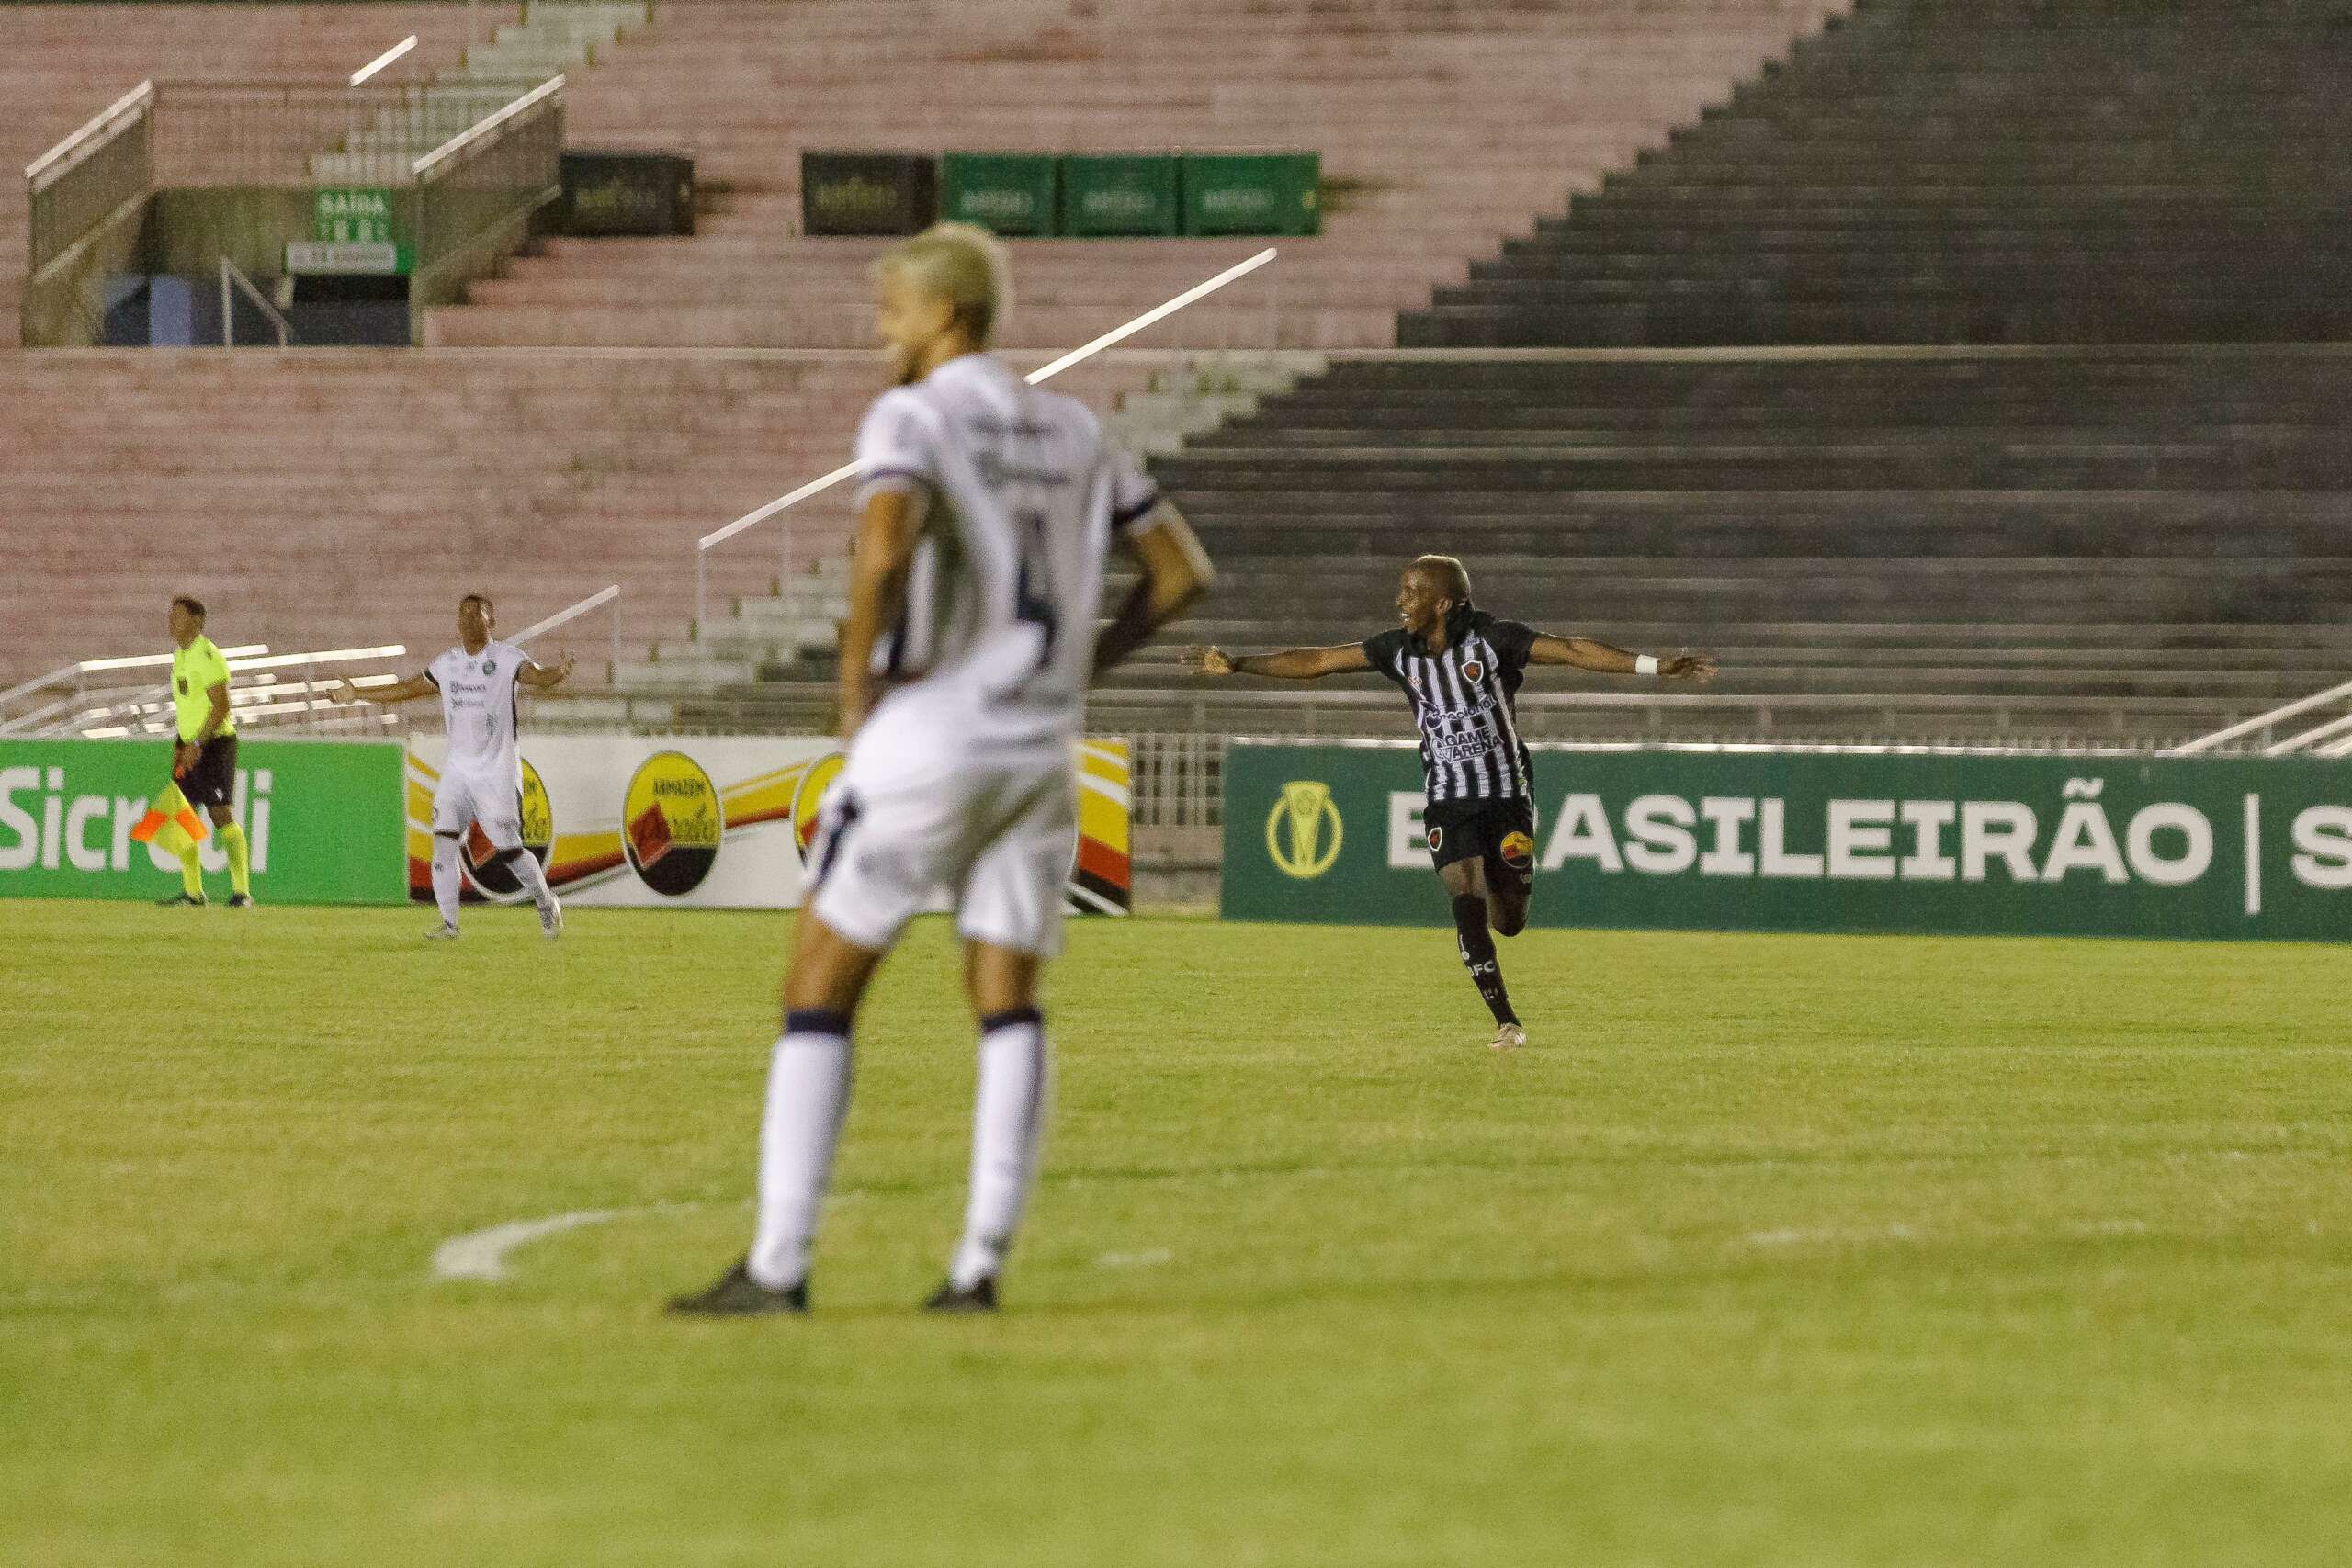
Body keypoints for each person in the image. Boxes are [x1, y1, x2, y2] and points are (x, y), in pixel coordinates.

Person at [670, 222, 1215, 1316]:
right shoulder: (1073, 426)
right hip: (1037, 750)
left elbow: (883, 546)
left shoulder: (913, 416)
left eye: (894, 311)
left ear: (947, 315)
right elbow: (1178, 572)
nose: (882, 331)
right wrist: (1075, 668)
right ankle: (978, 1268)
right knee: (1005, 999)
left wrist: (853, 692)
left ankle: (778, 1266)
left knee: (817, 983)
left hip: (932, 736)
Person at [1192, 556, 1715, 1050]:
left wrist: (1657, 666)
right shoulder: (1396, 649)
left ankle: (1499, 901)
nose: (1400, 600)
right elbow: (1321, 660)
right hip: (1448, 796)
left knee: (1509, 921)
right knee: (1463, 894)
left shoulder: (1492, 639)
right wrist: (1238, 663)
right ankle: (1507, 1022)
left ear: (1443, 604)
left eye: (1412, 592)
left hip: (1507, 794)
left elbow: (1572, 650)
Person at [339, 594, 571, 940]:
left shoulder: (507, 659)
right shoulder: (447, 664)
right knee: (444, 838)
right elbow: (407, 688)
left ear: (490, 621)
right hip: (459, 772)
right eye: (462, 616)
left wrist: (558, 672)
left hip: (498, 772)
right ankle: (450, 925)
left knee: (510, 852)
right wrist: (358, 691)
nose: (467, 622)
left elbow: (536, 676)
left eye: (475, 616)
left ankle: (544, 901)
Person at [138, 596, 254, 908]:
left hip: (215, 744)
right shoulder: (180, 657)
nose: (171, 620)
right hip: (190, 745)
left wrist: (198, 745)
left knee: (220, 813)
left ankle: (242, 892)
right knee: (184, 814)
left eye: (178, 615)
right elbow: (189, 710)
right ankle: (193, 893)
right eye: (170, 615)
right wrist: (180, 746)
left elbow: (222, 707)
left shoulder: (207, 655)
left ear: (197, 621)